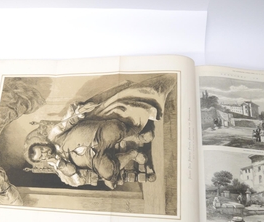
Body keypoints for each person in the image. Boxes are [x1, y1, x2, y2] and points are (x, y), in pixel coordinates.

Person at [25, 74, 175, 189]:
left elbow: (67, 122)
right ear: (42, 161)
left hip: (97, 134)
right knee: (108, 172)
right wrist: (59, 163)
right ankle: (132, 154)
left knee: (115, 129)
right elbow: (77, 179)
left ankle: (137, 137)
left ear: (43, 144)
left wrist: (79, 113)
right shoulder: (59, 169)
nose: (45, 153)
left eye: (42, 149)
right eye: (41, 156)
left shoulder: (54, 135)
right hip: (95, 159)